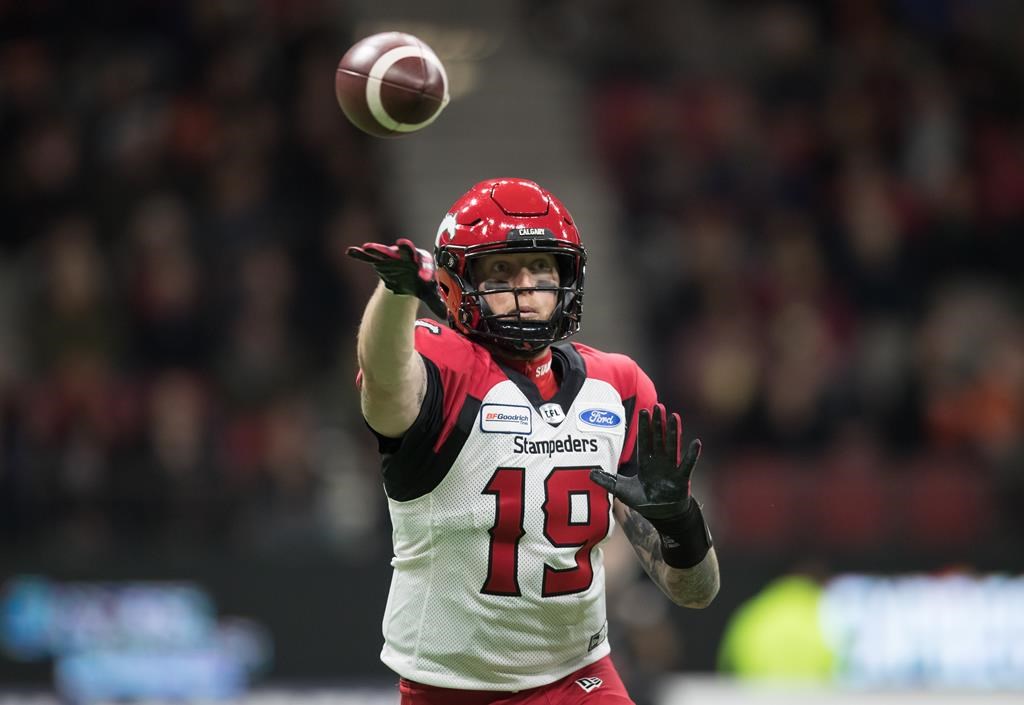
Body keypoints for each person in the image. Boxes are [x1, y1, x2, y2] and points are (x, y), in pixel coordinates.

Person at [347, 178, 720, 705]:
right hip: (452, 690)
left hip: (578, 677)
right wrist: (398, 291)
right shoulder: (444, 367)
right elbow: (384, 379)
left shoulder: (617, 384)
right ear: (459, 283)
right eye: (501, 270)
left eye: (541, 268)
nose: (525, 288)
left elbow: (697, 592)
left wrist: (679, 521)